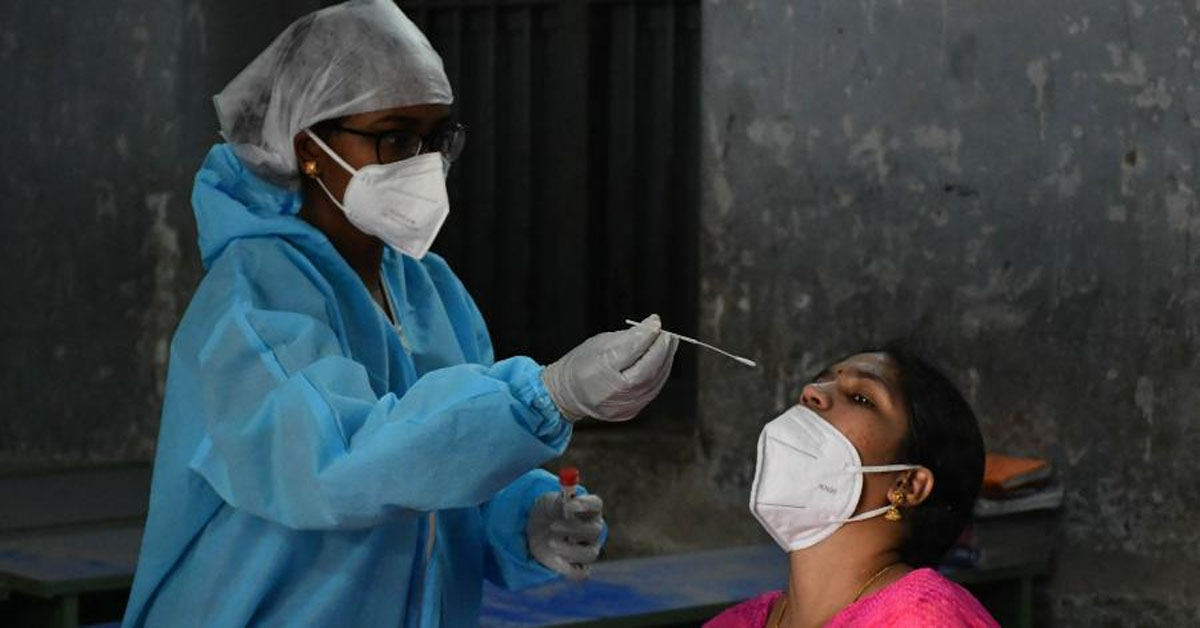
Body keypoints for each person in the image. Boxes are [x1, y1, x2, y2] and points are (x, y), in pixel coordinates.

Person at [121, 2, 677, 627]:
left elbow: (438, 472)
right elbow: (341, 464)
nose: (424, 163)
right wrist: (548, 395)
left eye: (437, 138)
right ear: (309, 147)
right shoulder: (253, 300)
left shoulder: (428, 288)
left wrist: (523, 518)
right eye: (396, 137)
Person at [705, 346, 998, 628]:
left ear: (908, 485)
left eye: (860, 398)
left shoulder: (926, 618)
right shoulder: (738, 622)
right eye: (820, 380)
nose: (812, 391)